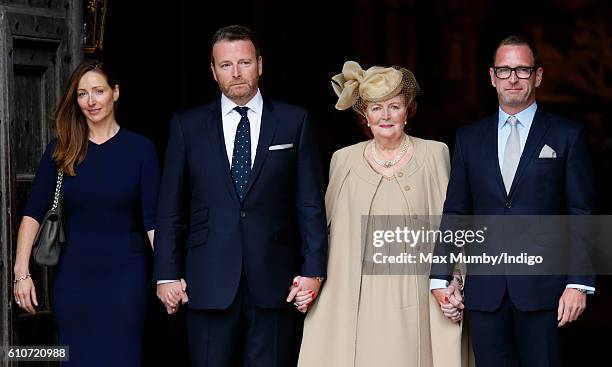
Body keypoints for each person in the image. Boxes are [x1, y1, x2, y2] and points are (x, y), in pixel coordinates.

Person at [153, 25, 328, 367]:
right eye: (226, 65)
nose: (236, 73)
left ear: (260, 65)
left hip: (276, 281)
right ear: (213, 71)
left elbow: (309, 204)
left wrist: (313, 270)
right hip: (207, 280)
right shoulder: (187, 125)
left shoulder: (295, 122)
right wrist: (166, 274)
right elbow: (170, 207)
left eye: (244, 62)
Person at [430, 35, 595, 366]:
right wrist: (440, 276)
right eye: (504, 70)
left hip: (546, 292)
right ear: (492, 77)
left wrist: (578, 283)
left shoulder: (567, 135)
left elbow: (581, 213)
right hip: (486, 294)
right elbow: (457, 212)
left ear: (538, 75)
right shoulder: (469, 138)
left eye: (522, 69)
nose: (513, 78)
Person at [297, 61, 471, 367]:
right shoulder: (343, 160)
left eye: (394, 106)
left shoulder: (434, 154)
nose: (386, 116)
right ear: (364, 115)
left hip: (416, 294)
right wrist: (311, 277)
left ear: (409, 111)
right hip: (355, 296)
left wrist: (455, 280)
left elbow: (454, 226)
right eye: (376, 108)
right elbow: (322, 232)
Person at [13, 60, 160, 366]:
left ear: (115, 93)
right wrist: (21, 273)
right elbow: (34, 212)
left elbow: (152, 220)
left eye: (99, 91)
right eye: (82, 94)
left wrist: (168, 275)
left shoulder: (141, 149)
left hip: (125, 279)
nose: (91, 101)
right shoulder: (62, 149)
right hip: (74, 280)